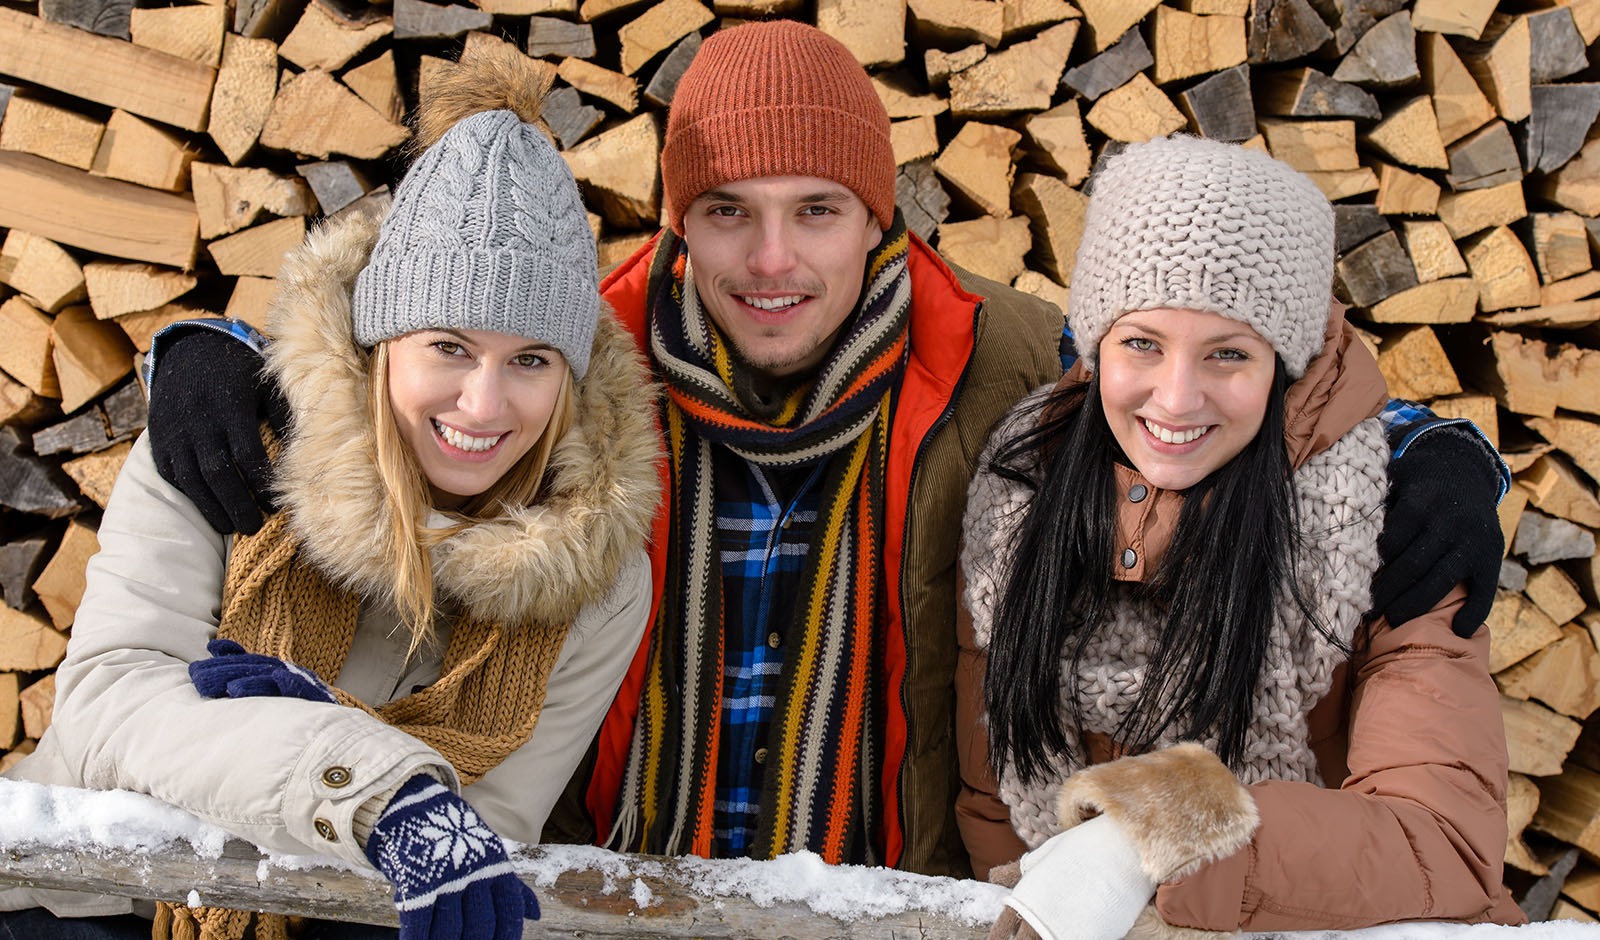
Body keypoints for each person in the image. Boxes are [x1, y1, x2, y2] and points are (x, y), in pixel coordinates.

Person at [139, 21, 1508, 879]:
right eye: (727, 210)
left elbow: (1203, 383)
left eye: (819, 209)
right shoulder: (579, 364)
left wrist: (1426, 442)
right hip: (609, 884)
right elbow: (401, 339)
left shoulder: (1001, 354)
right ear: (678, 221)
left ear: (883, 215)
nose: (773, 259)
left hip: (886, 891)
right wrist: (208, 348)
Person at [0, 47, 660, 940]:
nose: (484, 403)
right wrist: (363, 779)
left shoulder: (599, 577)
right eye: (449, 347)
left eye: (531, 360)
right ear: (383, 338)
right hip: (87, 898)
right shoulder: (231, 443)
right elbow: (112, 703)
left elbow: (486, 828)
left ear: (572, 377)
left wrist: (344, 749)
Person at [958, 137, 1523, 940]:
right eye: (1142, 343)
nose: (1177, 398)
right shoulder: (1020, 501)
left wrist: (1154, 838)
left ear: (1282, 366)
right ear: (1094, 346)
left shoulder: (1399, 524)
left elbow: (1443, 843)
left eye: (1229, 354)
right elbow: (993, 801)